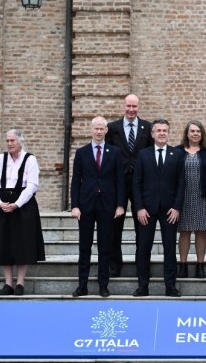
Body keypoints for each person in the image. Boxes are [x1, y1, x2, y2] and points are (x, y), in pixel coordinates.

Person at [70, 116, 126, 297]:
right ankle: (82, 285)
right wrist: (75, 205)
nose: (99, 131)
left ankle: (103, 285)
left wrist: (120, 205)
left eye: (102, 129)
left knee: (105, 247)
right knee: (84, 246)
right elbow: (75, 181)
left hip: (108, 206)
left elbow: (120, 181)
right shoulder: (82, 153)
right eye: (96, 128)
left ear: (106, 131)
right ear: (91, 130)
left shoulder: (115, 152)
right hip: (85, 205)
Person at [0, 129, 45, 296]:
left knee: (22, 243)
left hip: (23, 205)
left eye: (13, 140)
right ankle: (8, 283)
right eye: (8, 141)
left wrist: (17, 204)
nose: (10, 143)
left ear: (20, 141)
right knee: (4, 243)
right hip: (2, 204)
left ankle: (20, 283)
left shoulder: (30, 159)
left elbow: (32, 185)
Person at [132, 119, 185, 297]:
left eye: (165, 130)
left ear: (168, 133)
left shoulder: (177, 155)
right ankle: (142, 286)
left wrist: (177, 207)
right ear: (153, 134)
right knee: (143, 248)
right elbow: (136, 183)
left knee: (170, 249)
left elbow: (181, 183)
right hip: (146, 210)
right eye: (158, 130)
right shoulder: (143, 155)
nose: (162, 133)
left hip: (169, 211)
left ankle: (170, 286)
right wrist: (139, 207)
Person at [105, 93, 154, 277]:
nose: (131, 110)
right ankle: (114, 265)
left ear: (138, 107)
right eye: (128, 106)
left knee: (142, 227)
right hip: (118, 184)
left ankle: (142, 266)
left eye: (134, 106)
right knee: (114, 227)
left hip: (141, 185)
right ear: (124, 106)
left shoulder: (147, 127)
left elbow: (151, 154)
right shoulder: (113, 128)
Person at [177, 120, 206, 279]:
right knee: (184, 231)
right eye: (192, 131)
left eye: (198, 131)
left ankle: (200, 266)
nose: (195, 134)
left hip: (204, 197)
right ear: (187, 133)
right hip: (183, 197)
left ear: (202, 134)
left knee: (201, 231)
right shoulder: (178, 151)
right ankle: (183, 265)